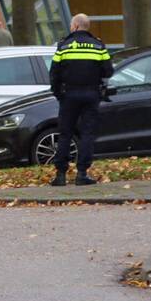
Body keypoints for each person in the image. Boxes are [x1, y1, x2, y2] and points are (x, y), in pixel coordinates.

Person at [49, 13, 113, 186]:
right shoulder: (98, 46)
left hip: (69, 95)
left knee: (65, 134)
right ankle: (82, 174)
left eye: (71, 25)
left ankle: (60, 175)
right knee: (87, 134)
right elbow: (108, 71)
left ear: (76, 26)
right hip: (91, 95)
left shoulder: (63, 46)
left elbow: (53, 73)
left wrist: (58, 94)